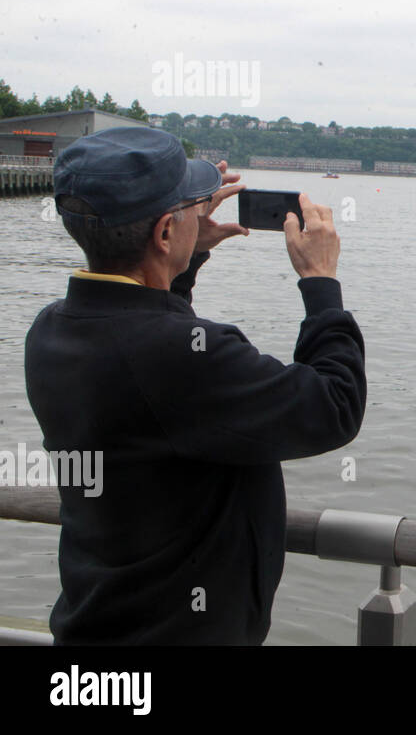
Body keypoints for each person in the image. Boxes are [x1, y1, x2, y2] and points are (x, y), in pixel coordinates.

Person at [24, 127, 366, 644]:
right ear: (164, 232)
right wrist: (320, 282)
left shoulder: (51, 330)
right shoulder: (182, 357)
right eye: (188, 207)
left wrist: (178, 264)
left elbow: (148, 360)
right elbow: (334, 405)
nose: (199, 211)